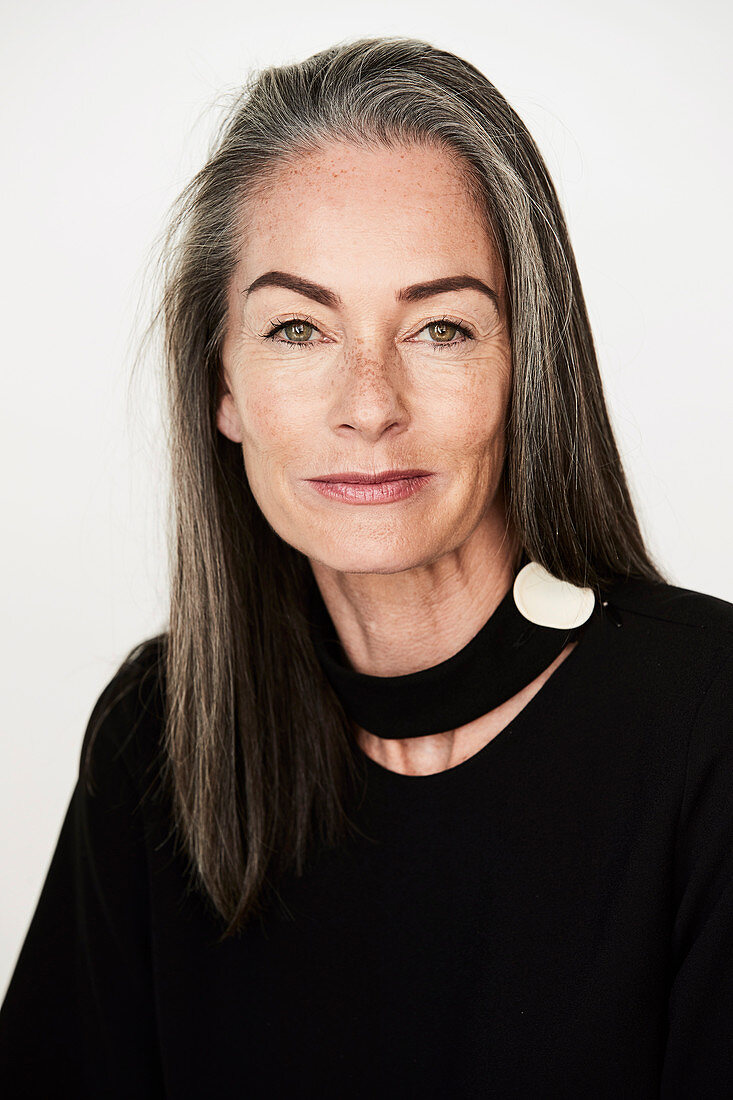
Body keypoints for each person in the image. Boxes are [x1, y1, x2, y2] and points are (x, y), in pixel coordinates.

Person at [1, 33, 731, 1099]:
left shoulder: (707, 718)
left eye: (440, 327)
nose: (370, 405)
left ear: (527, 365)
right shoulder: (155, 735)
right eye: (297, 328)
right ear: (223, 386)